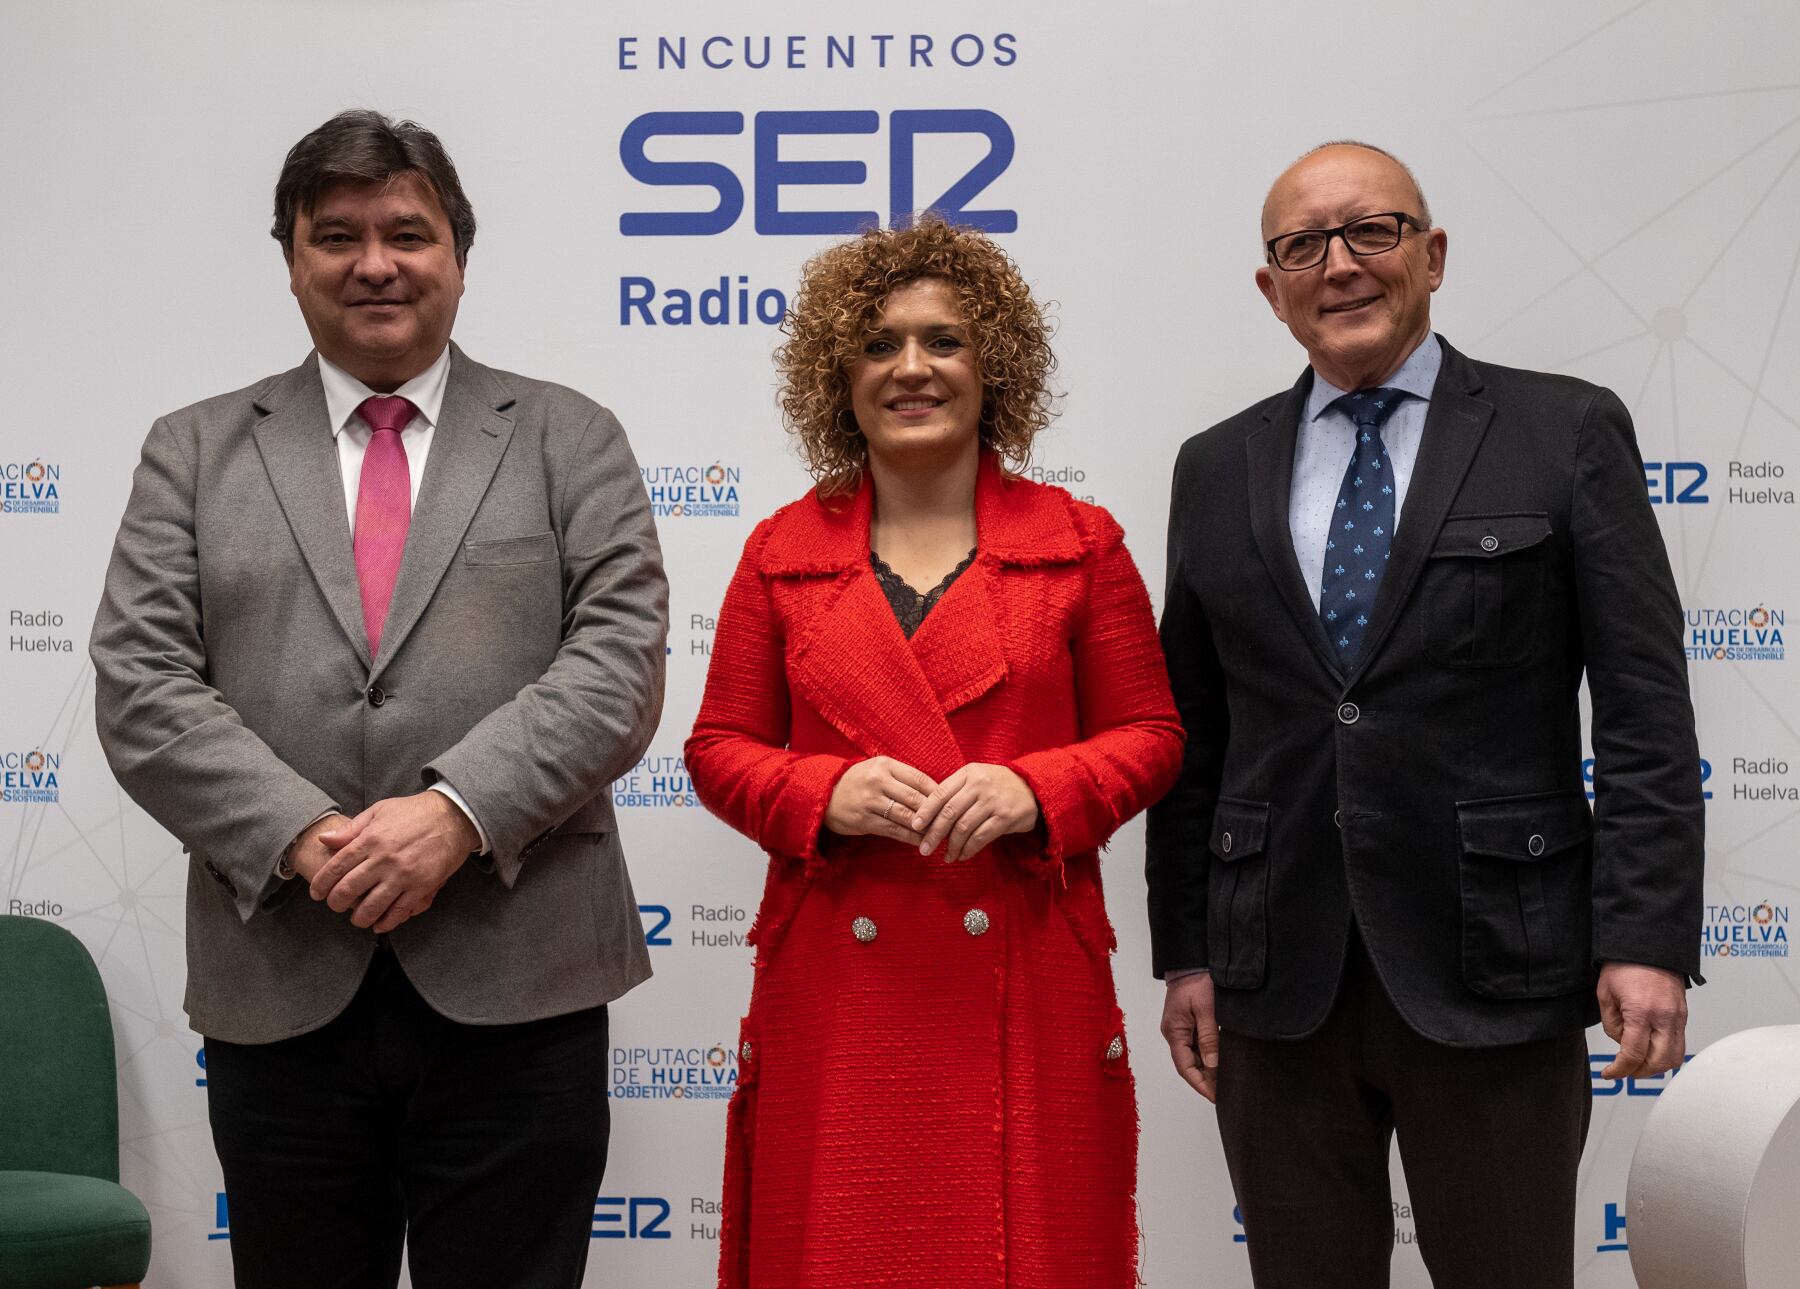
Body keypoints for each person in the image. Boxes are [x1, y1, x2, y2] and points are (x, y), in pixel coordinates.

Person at [89, 110, 667, 1289]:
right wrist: (309, 839)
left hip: (522, 979)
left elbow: (618, 664)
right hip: (281, 980)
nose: (375, 262)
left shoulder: (571, 437)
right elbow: (143, 685)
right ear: (290, 259)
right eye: (336, 235)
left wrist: (453, 813)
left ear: (459, 251)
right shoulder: (192, 451)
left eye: (409, 232)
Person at [1147, 141, 1704, 1288]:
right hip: (1276, 980)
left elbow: (1644, 704)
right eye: (1302, 246)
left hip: (1497, 963)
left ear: (1433, 253)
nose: (1339, 264)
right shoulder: (1213, 466)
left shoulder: (1564, 428)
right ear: (1272, 288)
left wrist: (1645, 933)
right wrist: (1188, 949)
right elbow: (1192, 731)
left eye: (1372, 232)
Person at [685, 218, 1183, 1289]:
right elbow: (719, 748)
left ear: (991, 364)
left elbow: (1153, 737)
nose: (911, 367)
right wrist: (824, 788)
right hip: (837, 963)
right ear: (841, 375)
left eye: (944, 340)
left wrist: (1035, 786)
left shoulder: (1079, 541)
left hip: (1028, 956)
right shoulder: (780, 550)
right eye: (878, 344)